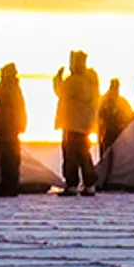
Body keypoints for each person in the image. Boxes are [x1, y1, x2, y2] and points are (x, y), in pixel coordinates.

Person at [52, 50, 100, 196]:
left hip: (72, 123)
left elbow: (62, 92)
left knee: (72, 155)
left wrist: (57, 79)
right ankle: (88, 183)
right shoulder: (89, 82)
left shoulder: (75, 81)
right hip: (82, 123)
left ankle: (73, 184)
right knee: (83, 154)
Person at [0, 63, 27, 197]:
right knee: (10, 158)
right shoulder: (13, 88)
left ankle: (8, 186)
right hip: (10, 127)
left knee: (8, 158)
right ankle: (9, 185)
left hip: (7, 126)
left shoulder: (6, 88)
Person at [97, 78, 134, 157]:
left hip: (114, 134)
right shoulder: (106, 101)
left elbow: (130, 116)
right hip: (110, 133)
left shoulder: (106, 100)